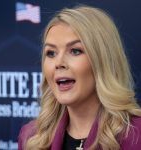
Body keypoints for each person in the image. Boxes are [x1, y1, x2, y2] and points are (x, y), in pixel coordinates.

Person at [18, 5, 141, 150]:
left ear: (102, 60)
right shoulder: (31, 136)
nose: (59, 63)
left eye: (75, 51)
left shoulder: (136, 135)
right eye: (51, 53)